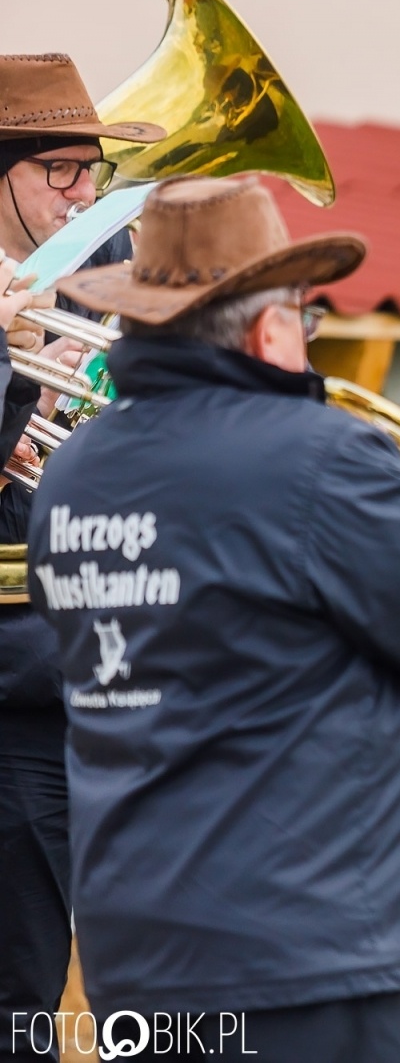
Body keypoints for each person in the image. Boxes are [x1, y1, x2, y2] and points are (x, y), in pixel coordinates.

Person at [27, 174, 400, 1061]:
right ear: (272, 326)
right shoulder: (314, 456)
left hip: (136, 949)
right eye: (305, 321)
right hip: (296, 949)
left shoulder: (78, 469)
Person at [0, 52, 168, 1061]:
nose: (83, 192)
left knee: (144, 986)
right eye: (60, 170)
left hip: (110, 680)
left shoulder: (109, 288)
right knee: (19, 983)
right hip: (13, 693)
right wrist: (25, 391)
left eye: (91, 171)